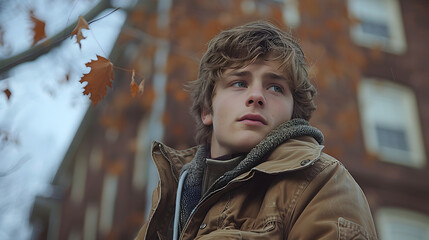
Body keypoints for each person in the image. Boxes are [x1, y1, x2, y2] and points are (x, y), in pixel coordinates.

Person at [135, 21, 378, 240]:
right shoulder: (171, 196)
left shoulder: (324, 181)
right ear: (207, 110)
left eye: (275, 88)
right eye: (239, 83)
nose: (256, 96)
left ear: (293, 113)